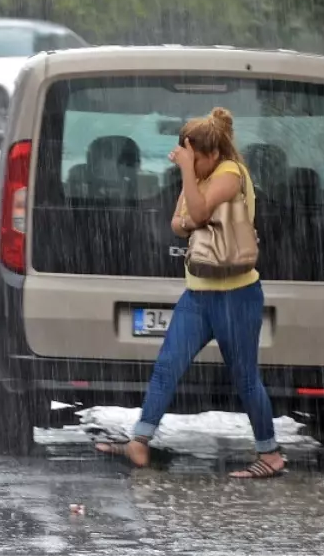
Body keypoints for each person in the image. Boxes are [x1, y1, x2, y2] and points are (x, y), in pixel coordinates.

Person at [95, 107, 285, 479]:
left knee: (245, 377)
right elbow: (178, 224)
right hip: (198, 294)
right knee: (167, 366)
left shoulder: (230, 173)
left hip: (236, 295)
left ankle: (271, 454)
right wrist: (191, 199)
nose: (188, 164)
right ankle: (139, 442)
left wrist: (188, 182)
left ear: (212, 155)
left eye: (192, 157)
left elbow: (194, 217)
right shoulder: (201, 180)